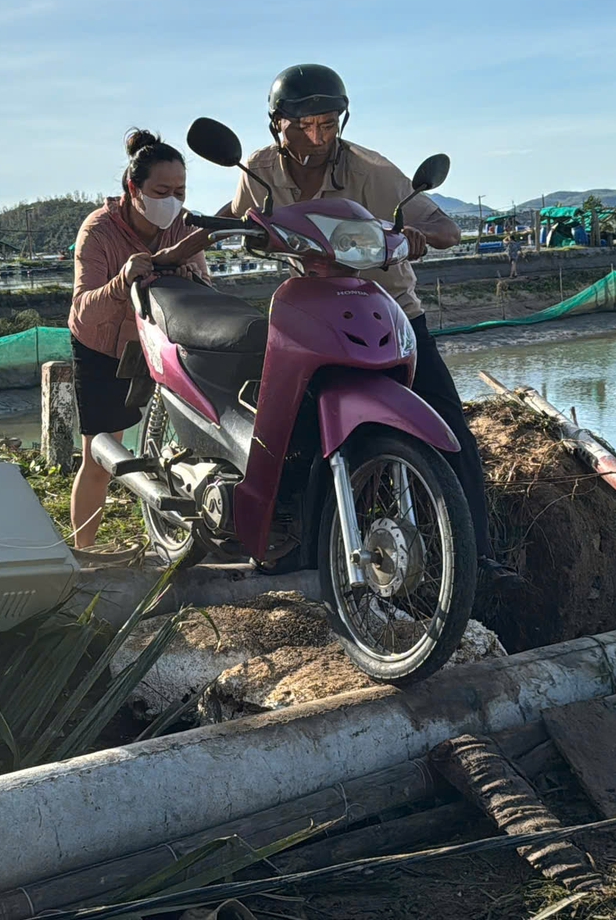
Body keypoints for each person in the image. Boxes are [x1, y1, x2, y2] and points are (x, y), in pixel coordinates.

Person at [222, 64, 521, 587]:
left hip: (388, 311)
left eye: (328, 124)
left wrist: (415, 236)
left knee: (450, 424)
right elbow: (242, 217)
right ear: (276, 124)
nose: (318, 137)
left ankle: (480, 558)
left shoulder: (370, 170)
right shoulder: (259, 170)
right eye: (303, 126)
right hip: (316, 317)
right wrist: (181, 245)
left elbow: (444, 227)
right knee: (293, 429)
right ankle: (292, 540)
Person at [68, 129, 210, 550]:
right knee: (99, 455)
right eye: (161, 192)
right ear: (133, 189)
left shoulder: (184, 227)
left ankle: (184, 531)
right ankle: (83, 551)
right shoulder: (98, 230)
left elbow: (208, 287)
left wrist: (190, 279)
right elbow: (83, 309)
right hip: (105, 345)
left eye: (180, 192)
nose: (173, 202)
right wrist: (122, 281)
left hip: (162, 339)